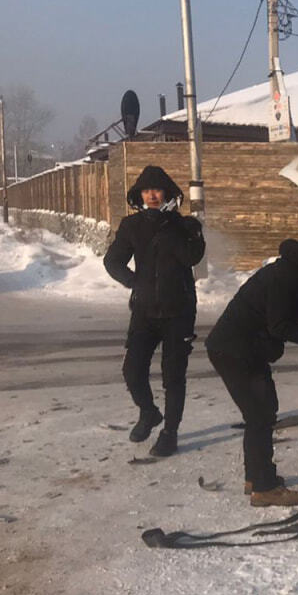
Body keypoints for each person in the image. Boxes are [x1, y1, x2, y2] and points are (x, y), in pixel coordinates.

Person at [205, 231, 298, 507]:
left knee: (263, 411)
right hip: (235, 351)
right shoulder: (285, 278)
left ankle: (256, 478)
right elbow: (279, 326)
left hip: (245, 350)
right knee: (260, 415)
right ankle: (264, 488)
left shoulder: (297, 274)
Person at [103, 165, 205, 457]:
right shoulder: (132, 226)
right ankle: (148, 412)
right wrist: (135, 283)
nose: (151, 195)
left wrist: (191, 231)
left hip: (179, 312)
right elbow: (113, 261)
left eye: (157, 190)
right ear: (139, 194)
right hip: (144, 312)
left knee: (173, 376)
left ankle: (170, 432)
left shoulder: (182, 226)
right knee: (132, 370)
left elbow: (192, 257)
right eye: (146, 191)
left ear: (167, 193)